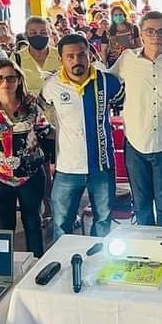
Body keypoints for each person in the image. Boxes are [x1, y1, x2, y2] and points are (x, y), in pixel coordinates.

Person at [109, 11, 162, 227]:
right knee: (141, 205)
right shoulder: (127, 59)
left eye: (161, 31)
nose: (156, 36)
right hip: (136, 143)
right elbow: (106, 82)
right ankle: (145, 246)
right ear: (141, 34)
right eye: (150, 31)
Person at [40, 34, 123, 241]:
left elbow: (127, 105)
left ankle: (98, 258)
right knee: (61, 223)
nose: (76, 60)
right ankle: (63, 259)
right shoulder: (52, 85)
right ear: (61, 59)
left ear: (89, 55)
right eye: (70, 56)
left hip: (102, 167)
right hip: (67, 168)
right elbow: (40, 111)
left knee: (103, 221)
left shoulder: (108, 82)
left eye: (81, 54)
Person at [0, 60, 50, 257]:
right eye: (0, 78)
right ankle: (3, 268)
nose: (5, 82)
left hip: (31, 177)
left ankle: (37, 265)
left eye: (11, 78)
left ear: (19, 80)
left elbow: (46, 132)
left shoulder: (31, 108)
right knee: (3, 229)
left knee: (33, 223)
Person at [15, 17, 60, 96]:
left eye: (43, 33)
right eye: (33, 33)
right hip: (27, 103)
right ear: (26, 35)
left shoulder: (60, 55)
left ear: (50, 34)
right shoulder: (17, 57)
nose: (38, 36)